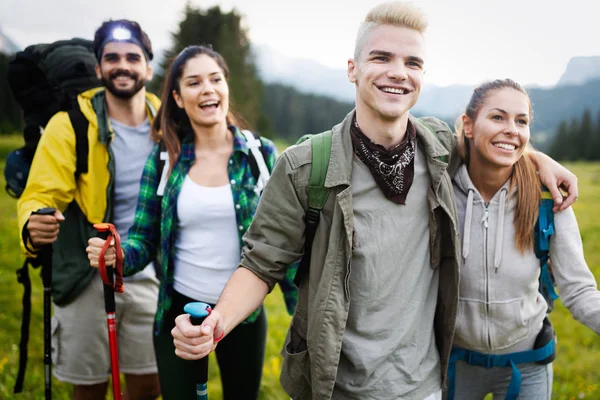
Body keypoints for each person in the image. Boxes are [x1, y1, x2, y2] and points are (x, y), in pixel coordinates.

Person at [170, 3, 578, 400]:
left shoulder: (436, 146)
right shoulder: (304, 166)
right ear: (353, 68)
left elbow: (492, 140)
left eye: (412, 63)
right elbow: (260, 265)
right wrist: (216, 324)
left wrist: (539, 159)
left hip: (425, 386)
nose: (398, 73)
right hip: (333, 386)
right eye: (381, 57)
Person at [86, 45, 298, 400]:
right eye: (194, 82)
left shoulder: (260, 156)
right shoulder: (164, 159)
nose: (207, 89)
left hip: (242, 315)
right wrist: (117, 255)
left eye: (215, 79)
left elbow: (285, 242)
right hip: (178, 313)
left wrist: (303, 305)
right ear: (179, 98)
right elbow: (143, 239)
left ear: (226, 87)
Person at [17, 19, 161, 400]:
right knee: (90, 386)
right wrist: (34, 223)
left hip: (152, 272)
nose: (122, 65)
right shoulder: (71, 125)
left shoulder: (169, 123)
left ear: (148, 66)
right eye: (111, 58)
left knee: (149, 384)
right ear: (98, 69)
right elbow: (40, 192)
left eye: (133, 57)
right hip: (88, 272)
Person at [448, 78, 600, 399]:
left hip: (527, 365)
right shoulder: (439, 191)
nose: (512, 129)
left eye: (522, 121)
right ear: (469, 125)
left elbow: (579, 291)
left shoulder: (548, 200)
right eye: (498, 117)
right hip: (454, 364)